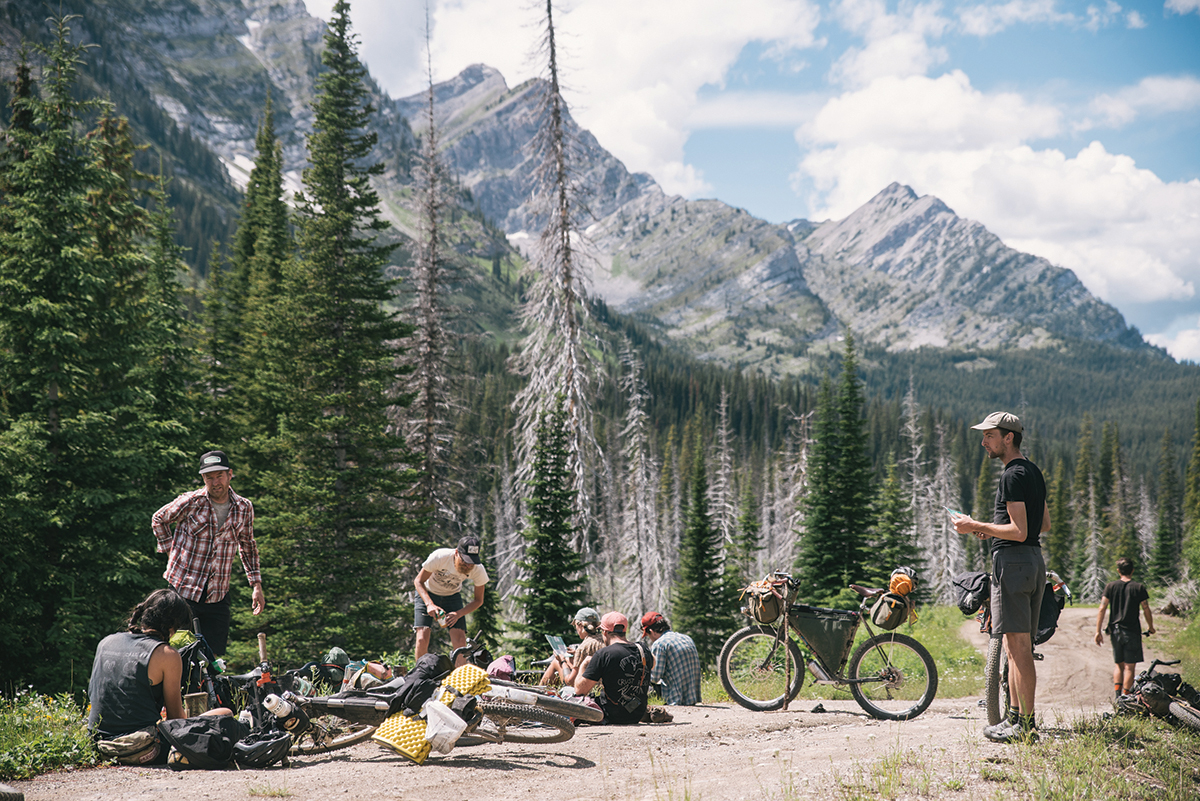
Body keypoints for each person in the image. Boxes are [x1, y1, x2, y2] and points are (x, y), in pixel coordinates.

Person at [952, 411, 1049, 744]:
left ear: (1009, 437)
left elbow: (1019, 531)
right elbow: (1042, 525)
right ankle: (1015, 719)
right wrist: (994, 531)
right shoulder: (1033, 472)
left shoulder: (1011, 475)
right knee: (1014, 645)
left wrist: (974, 525)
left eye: (990, 436)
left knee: (1019, 649)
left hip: (1013, 564)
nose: (984, 442)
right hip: (1032, 561)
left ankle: (1026, 726)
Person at [88, 589, 233, 763]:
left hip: (97, 745)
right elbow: (175, 720)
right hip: (143, 747)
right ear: (172, 627)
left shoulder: (106, 642)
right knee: (225, 713)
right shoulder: (167, 654)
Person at [152, 450, 264, 655]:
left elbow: (247, 545)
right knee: (179, 653)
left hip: (217, 594)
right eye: (209, 477)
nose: (215, 482)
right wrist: (170, 553)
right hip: (183, 591)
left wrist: (256, 585)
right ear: (203, 478)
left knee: (213, 658)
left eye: (219, 476)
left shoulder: (244, 507)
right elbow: (159, 519)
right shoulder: (191, 501)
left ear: (230, 474)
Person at [413, 536, 489, 661]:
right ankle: (420, 671)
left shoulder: (478, 569)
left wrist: (458, 614)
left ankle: (460, 673)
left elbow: (478, 600)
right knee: (422, 637)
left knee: (460, 640)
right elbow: (418, 581)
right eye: (465, 560)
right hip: (428, 593)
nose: (468, 565)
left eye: (471, 562)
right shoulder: (440, 557)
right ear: (456, 552)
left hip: (452, 597)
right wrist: (429, 604)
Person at [573, 612, 656, 725]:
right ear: (624, 630)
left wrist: (584, 664)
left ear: (605, 632)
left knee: (567, 693)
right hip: (637, 714)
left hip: (611, 714)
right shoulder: (642, 649)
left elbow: (579, 690)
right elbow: (653, 663)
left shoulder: (604, 654)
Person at [1095, 557, 1156, 698]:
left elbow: (1102, 608)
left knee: (1119, 665)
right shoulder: (1138, 587)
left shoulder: (1110, 586)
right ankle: (1126, 696)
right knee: (1129, 667)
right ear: (1132, 570)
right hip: (1132, 631)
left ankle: (1117, 696)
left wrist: (1098, 631)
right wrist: (1151, 627)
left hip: (1115, 631)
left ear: (1118, 571)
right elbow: (1146, 608)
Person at [640, 611, 701, 706]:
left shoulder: (660, 644)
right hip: (692, 697)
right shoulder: (686, 638)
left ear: (651, 631)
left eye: (648, 635)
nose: (650, 638)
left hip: (675, 698)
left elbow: (654, 677)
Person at [540, 607, 604, 686]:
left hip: (586, 688)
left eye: (575, 626)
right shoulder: (604, 640)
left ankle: (539, 690)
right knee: (568, 660)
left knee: (556, 662)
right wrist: (576, 654)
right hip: (601, 686)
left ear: (580, 624)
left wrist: (562, 661)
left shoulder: (583, 647)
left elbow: (570, 682)